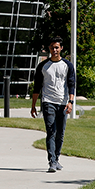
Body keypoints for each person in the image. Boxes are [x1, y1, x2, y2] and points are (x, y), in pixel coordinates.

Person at [31, 36, 76, 173]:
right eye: (52, 47)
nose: (54, 50)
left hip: (62, 103)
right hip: (48, 102)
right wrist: (33, 105)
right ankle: (52, 161)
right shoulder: (43, 66)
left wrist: (70, 102)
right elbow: (37, 87)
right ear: (49, 49)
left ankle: (56, 158)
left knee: (60, 133)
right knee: (51, 131)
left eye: (57, 47)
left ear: (61, 48)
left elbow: (72, 85)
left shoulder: (67, 65)